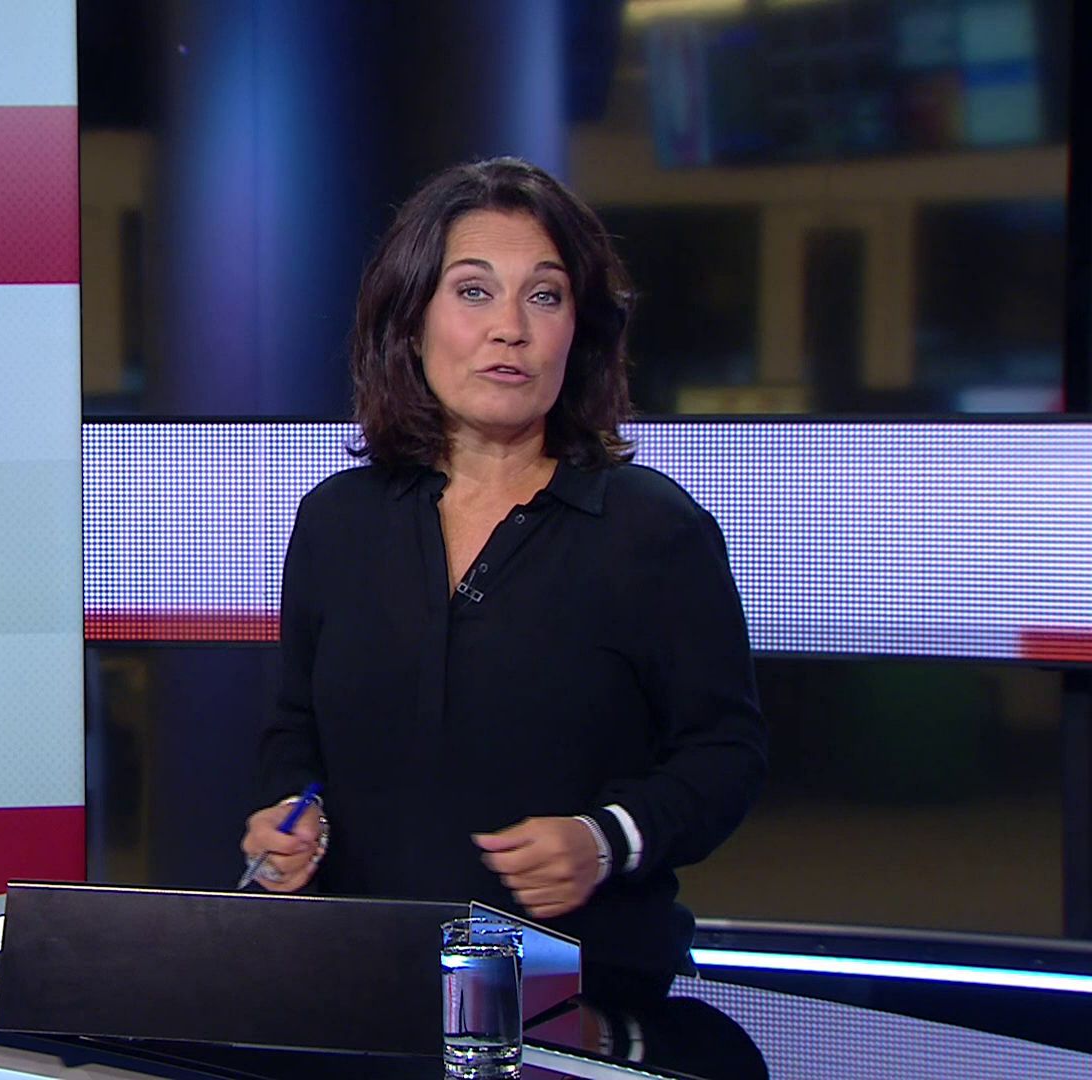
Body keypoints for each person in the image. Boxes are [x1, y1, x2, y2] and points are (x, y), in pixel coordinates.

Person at [240, 157, 767, 1004]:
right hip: (363, 986)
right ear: (412, 321)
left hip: (586, 995)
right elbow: (296, 730)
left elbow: (725, 755)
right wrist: (291, 817)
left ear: (578, 333)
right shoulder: (337, 521)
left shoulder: (653, 530)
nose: (510, 328)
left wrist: (606, 839)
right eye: (474, 292)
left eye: (545, 296)